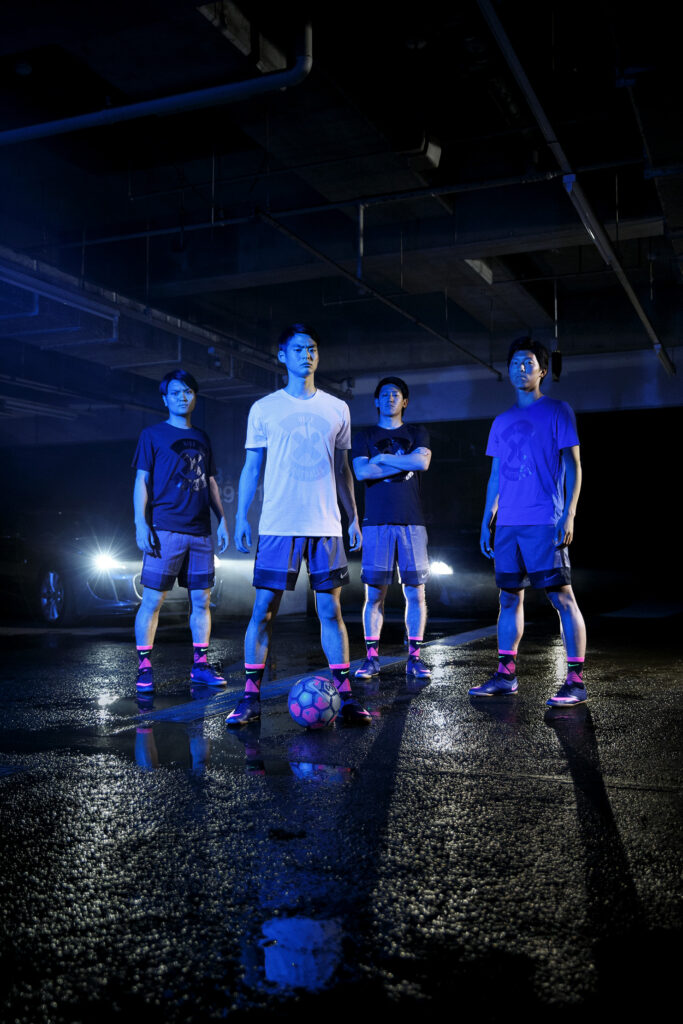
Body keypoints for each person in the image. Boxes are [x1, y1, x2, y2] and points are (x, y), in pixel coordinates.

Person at [225, 323, 370, 726]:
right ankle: (250, 699)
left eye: (312, 349)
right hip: (278, 524)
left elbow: (342, 470)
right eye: (299, 349)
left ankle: (345, 695)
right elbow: (252, 467)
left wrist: (352, 516)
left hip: (325, 525)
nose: (307, 355)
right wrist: (241, 516)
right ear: (282, 356)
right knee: (263, 610)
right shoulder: (264, 408)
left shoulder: (337, 408)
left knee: (331, 610)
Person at [471, 338, 587, 706]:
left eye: (529, 362)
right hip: (508, 525)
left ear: (543, 371)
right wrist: (488, 518)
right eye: (515, 363)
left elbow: (574, 466)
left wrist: (569, 513)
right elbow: (496, 476)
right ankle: (506, 675)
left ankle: (576, 681)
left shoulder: (558, 410)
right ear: (508, 371)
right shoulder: (501, 421)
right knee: (508, 598)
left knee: (562, 597)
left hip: (543, 521)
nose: (521, 368)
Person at [132, 369, 229, 693]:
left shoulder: (202, 436)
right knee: (152, 600)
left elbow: (210, 481)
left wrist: (222, 519)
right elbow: (142, 481)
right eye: (175, 392)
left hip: (200, 531)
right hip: (165, 529)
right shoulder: (152, 434)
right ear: (165, 398)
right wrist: (141, 522)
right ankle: (144, 668)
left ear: (195, 397)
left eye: (187, 391)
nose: (182, 397)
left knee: (202, 600)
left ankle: (200, 666)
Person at [351, 377, 432, 680]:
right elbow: (362, 471)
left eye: (395, 394)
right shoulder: (365, 435)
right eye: (384, 394)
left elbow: (422, 464)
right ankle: (372, 658)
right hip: (376, 523)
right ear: (376, 401)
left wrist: (383, 458)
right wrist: (405, 461)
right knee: (374, 594)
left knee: (416, 593)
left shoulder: (417, 432)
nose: (389, 398)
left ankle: (415, 658)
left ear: (404, 401)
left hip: (412, 521)